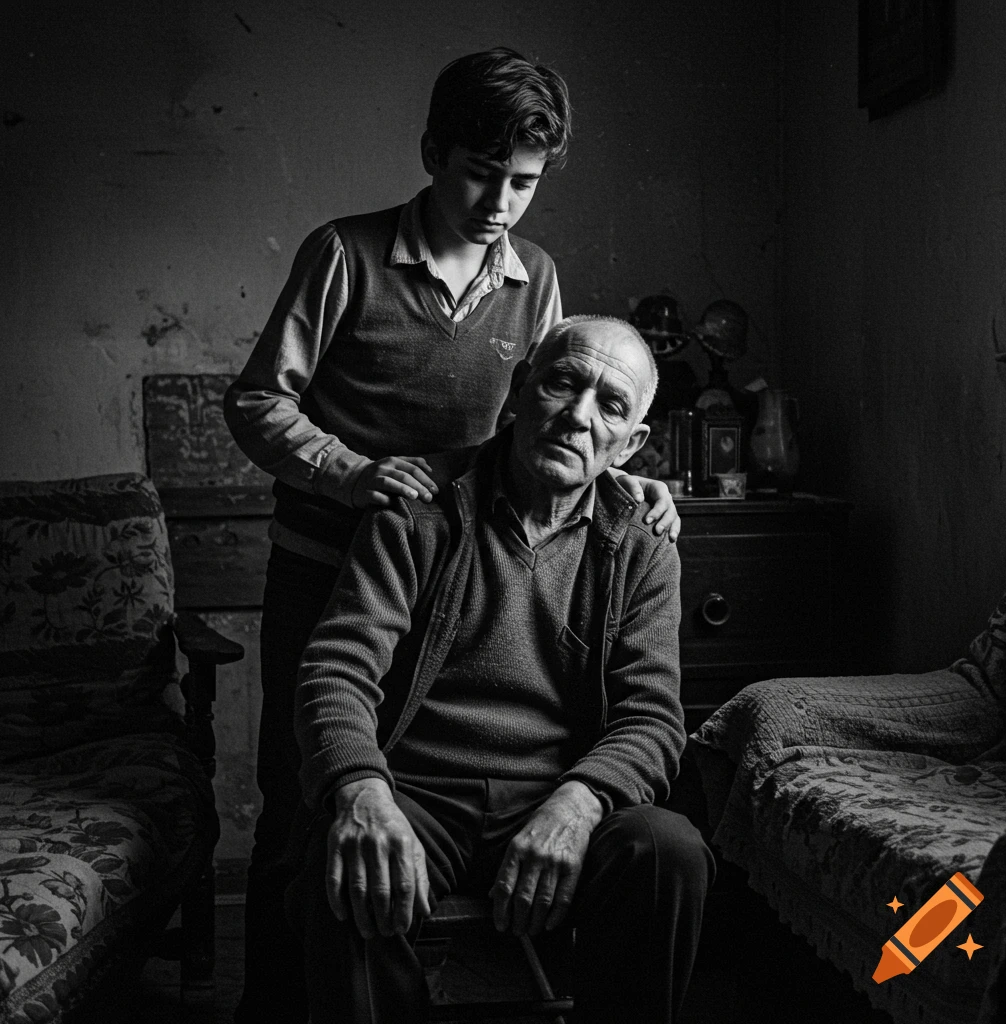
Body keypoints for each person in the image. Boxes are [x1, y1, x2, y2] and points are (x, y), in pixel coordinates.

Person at [223, 48, 681, 1023]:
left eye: (522, 182)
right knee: (306, 810)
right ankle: (275, 1007)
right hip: (342, 557)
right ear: (434, 153)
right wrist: (355, 475)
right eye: (480, 173)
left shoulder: (535, 274)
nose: (499, 203)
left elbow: (564, 394)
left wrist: (628, 484)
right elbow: (259, 398)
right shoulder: (345, 254)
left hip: (462, 562)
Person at [288, 315, 713, 1024]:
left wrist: (578, 805)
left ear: (632, 443)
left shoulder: (641, 545)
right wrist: (362, 793)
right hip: (419, 794)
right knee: (344, 870)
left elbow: (653, 719)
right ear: (521, 389)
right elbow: (338, 666)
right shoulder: (418, 509)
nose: (577, 417)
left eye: (610, 406)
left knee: (668, 851)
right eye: (562, 383)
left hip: (554, 793)